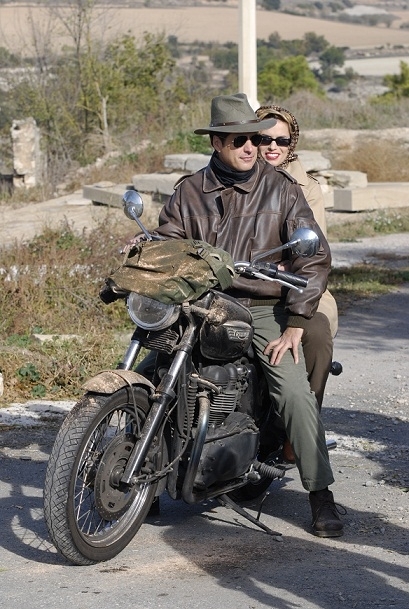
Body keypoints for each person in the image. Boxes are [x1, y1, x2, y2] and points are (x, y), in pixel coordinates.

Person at [150, 92, 344, 538]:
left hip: (262, 305)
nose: (251, 147)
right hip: (203, 303)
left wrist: (295, 324)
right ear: (216, 142)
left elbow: (314, 258)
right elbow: (168, 241)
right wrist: (147, 250)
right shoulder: (189, 191)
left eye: (255, 139)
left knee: (293, 392)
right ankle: (148, 476)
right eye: (240, 140)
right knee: (156, 370)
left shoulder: (282, 189)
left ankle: (320, 493)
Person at [256, 104, 339, 412]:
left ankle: (303, 424)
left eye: (282, 140)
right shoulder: (235, 178)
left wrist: (285, 265)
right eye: (265, 139)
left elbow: (315, 252)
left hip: (299, 283)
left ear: (292, 144)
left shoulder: (307, 187)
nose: (273, 147)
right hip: (247, 281)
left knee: (316, 334)